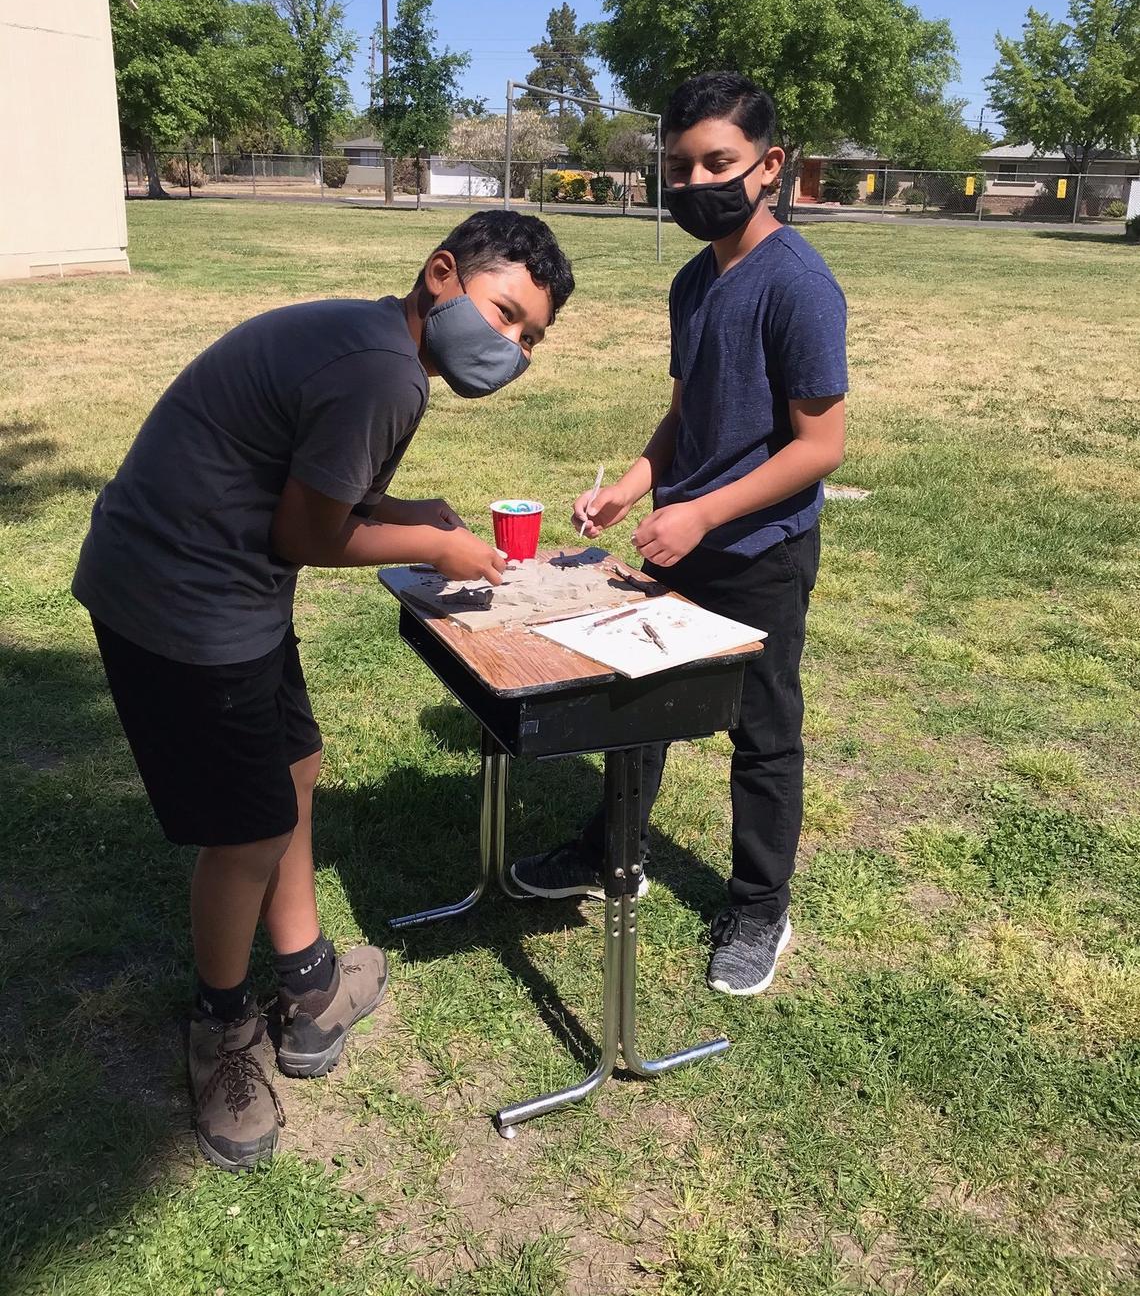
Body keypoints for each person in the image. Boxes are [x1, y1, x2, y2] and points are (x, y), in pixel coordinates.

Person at [73, 210, 575, 1170]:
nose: (511, 347)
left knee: (298, 763)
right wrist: (438, 543)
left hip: (232, 592)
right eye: (506, 313)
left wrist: (404, 509)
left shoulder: (373, 341)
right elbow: (305, 535)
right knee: (249, 828)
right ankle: (222, 1030)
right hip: (177, 601)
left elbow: (311, 490)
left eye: (530, 339)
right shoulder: (383, 371)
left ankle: (306, 978)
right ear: (441, 276)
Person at [512, 72, 847, 997]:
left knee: (764, 729)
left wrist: (703, 510)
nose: (696, 182)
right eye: (679, 167)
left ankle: (758, 907)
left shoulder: (800, 286)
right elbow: (684, 418)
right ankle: (609, 849)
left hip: (761, 552)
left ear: (770, 167)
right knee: (636, 702)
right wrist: (631, 488)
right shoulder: (690, 281)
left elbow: (821, 443)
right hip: (679, 541)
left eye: (719, 163)